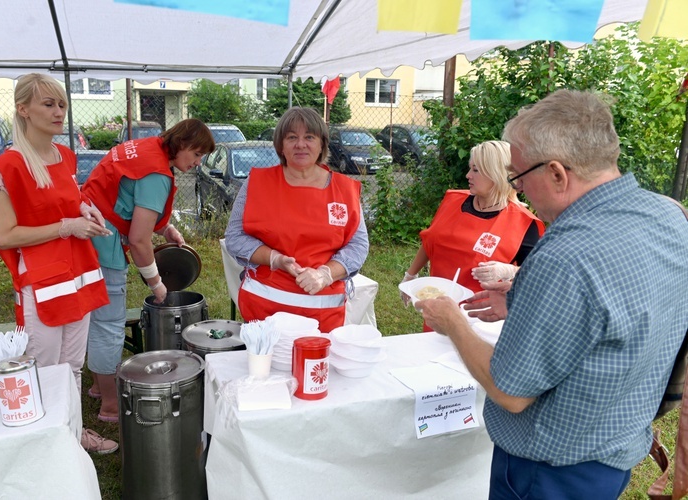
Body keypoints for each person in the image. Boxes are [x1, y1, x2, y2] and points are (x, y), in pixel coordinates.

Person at [416, 90, 688, 499]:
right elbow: (625, 309)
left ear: (558, 174)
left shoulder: (566, 255)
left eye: (520, 175)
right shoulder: (669, 214)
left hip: (548, 469)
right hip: (613, 448)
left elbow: (511, 392)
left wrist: (451, 321)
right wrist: (520, 302)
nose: (519, 189)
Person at [0, 73, 117, 454]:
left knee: (72, 366)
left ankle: (72, 434)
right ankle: (43, 443)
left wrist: (84, 209)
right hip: (42, 281)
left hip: (78, 273)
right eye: (49, 104)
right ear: (22, 109)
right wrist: (67, 226)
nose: (59, 111)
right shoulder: (8, 165)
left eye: (61, 104)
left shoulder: (66, 156)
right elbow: (6, 235)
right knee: (43, 369)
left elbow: (65, 198)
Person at [82, 118, 215, 422]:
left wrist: (165, 228)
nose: (197, 163)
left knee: (95, 317)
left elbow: (129, 197)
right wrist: (156, 284)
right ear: (180, 144)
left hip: (91, 226)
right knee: (108, 324)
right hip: (102, 242)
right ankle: (111, 406)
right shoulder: (158, 174)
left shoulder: (147, 147)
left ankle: (98, 387)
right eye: (195, 154)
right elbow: (140, 241)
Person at [224, 107, 369, 334]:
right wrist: (275, 259)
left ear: (322, 144)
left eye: (309, 137)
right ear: (281, 145)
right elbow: (234, 237)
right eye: (292, 137)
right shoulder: (257, 183)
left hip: (323, 316)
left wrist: (325, 274)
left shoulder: (344, 190)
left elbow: (358, 245)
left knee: (313, 368)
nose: (300, 144)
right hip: (264, 311)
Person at [401, 140, 544, 323]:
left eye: (476, 170)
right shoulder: (453, 201)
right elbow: (431, 240)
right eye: (470, 168)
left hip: (481, 316)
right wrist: (410, 275)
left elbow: (538, 274)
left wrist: (508, 270)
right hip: (439, 307)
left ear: (496, 174)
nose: (468, 175)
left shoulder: (523, 223)